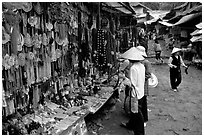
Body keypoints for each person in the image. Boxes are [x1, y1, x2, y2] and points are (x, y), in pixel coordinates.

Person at [120, 47, 145, 135]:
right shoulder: (141, 66)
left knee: (137, 114)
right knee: (135, 113)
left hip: (135, 94)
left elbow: (132, 84)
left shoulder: (133, 68)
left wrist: (124, 79)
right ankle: (132, 126)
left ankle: (139, 132)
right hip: (141, 91)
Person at [136, 46, 152, 127]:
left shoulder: (146, 62)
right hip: (139, 86)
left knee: (143, 104)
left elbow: (148, 74)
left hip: (143, 85)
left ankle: (144, 119)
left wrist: (141, 78)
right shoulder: (139, 62)